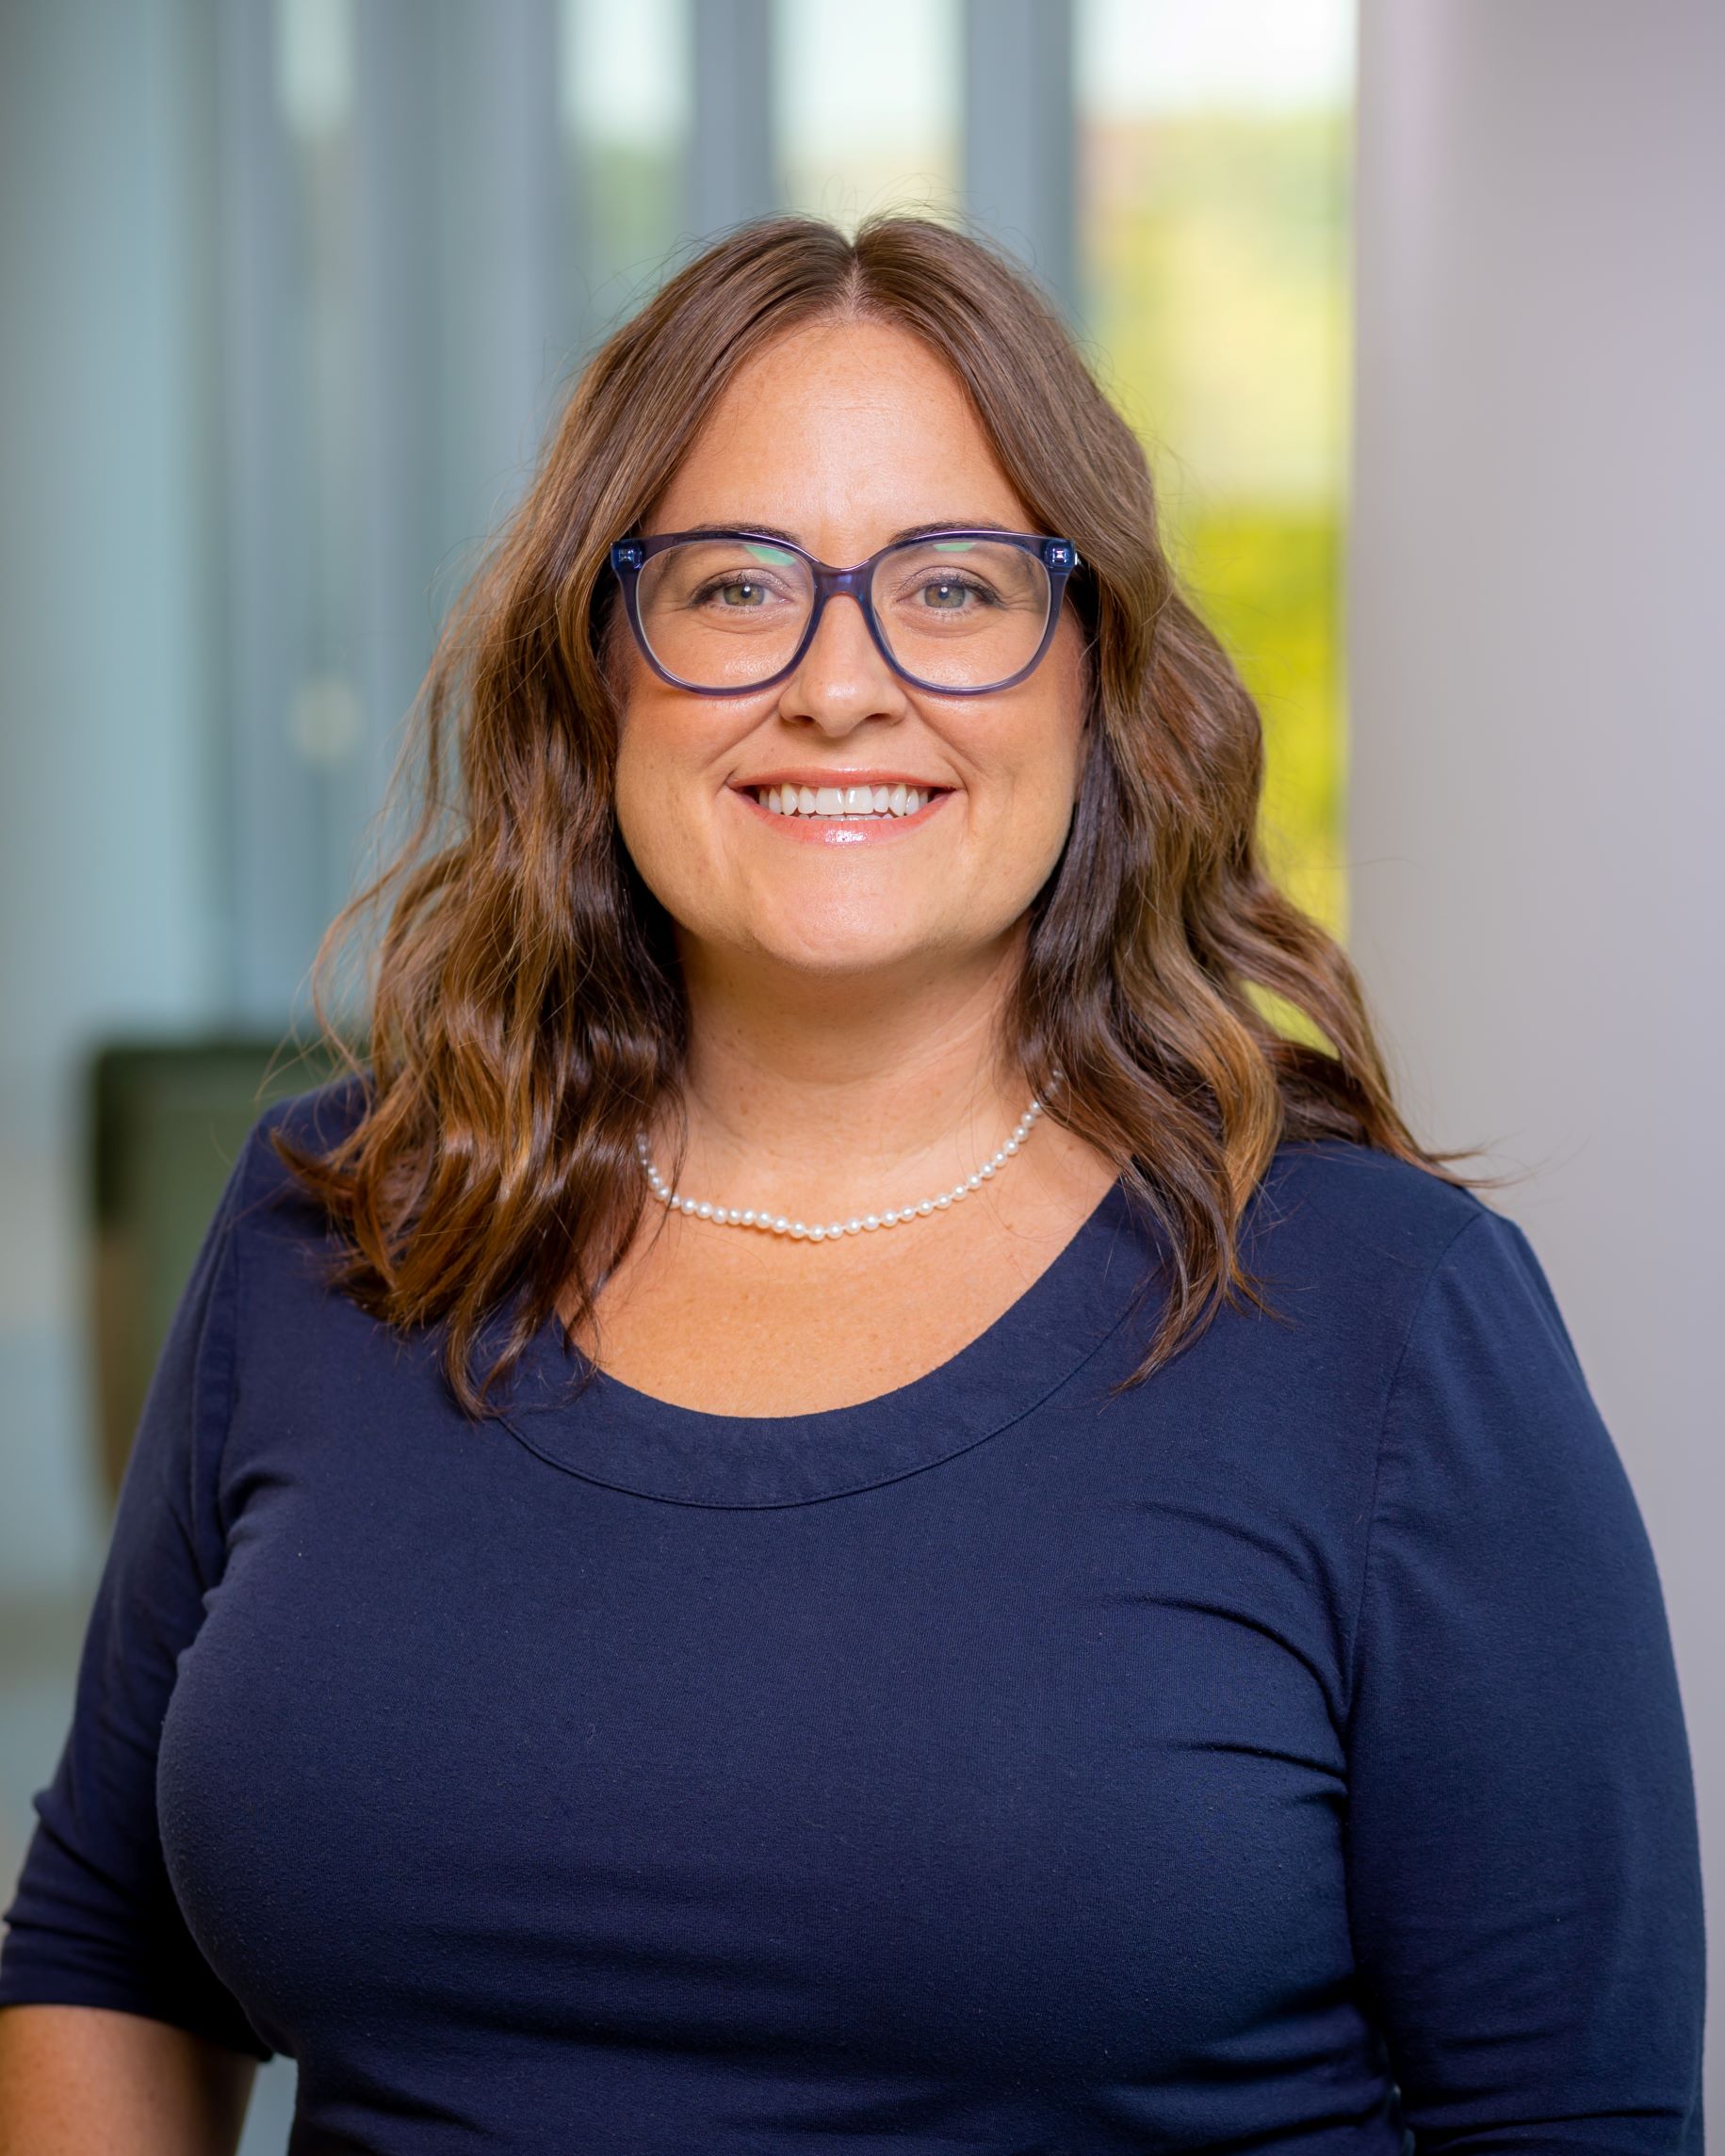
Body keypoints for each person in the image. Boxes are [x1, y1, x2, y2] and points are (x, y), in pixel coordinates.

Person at [0, 214, 1704, 2152]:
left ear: (1095, 676)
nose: (837, 683)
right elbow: (106, 1950)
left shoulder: (1385, 1317)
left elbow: (1570, 2116)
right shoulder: (343, 1216)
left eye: (955, 587)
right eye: (736, 586)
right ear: (597, 664)